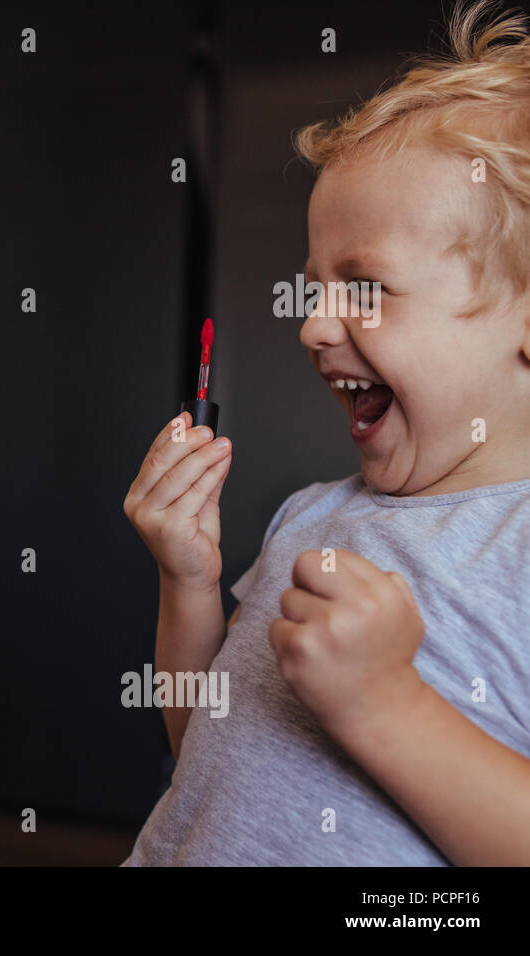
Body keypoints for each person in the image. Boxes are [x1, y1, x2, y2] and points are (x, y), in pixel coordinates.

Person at [122, 0, 530, 864]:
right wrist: (187, 581)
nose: (313, 325)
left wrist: (388, 705)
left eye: (366, 287)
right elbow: (205, 745)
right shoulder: (309, 517)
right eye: (314, 288)